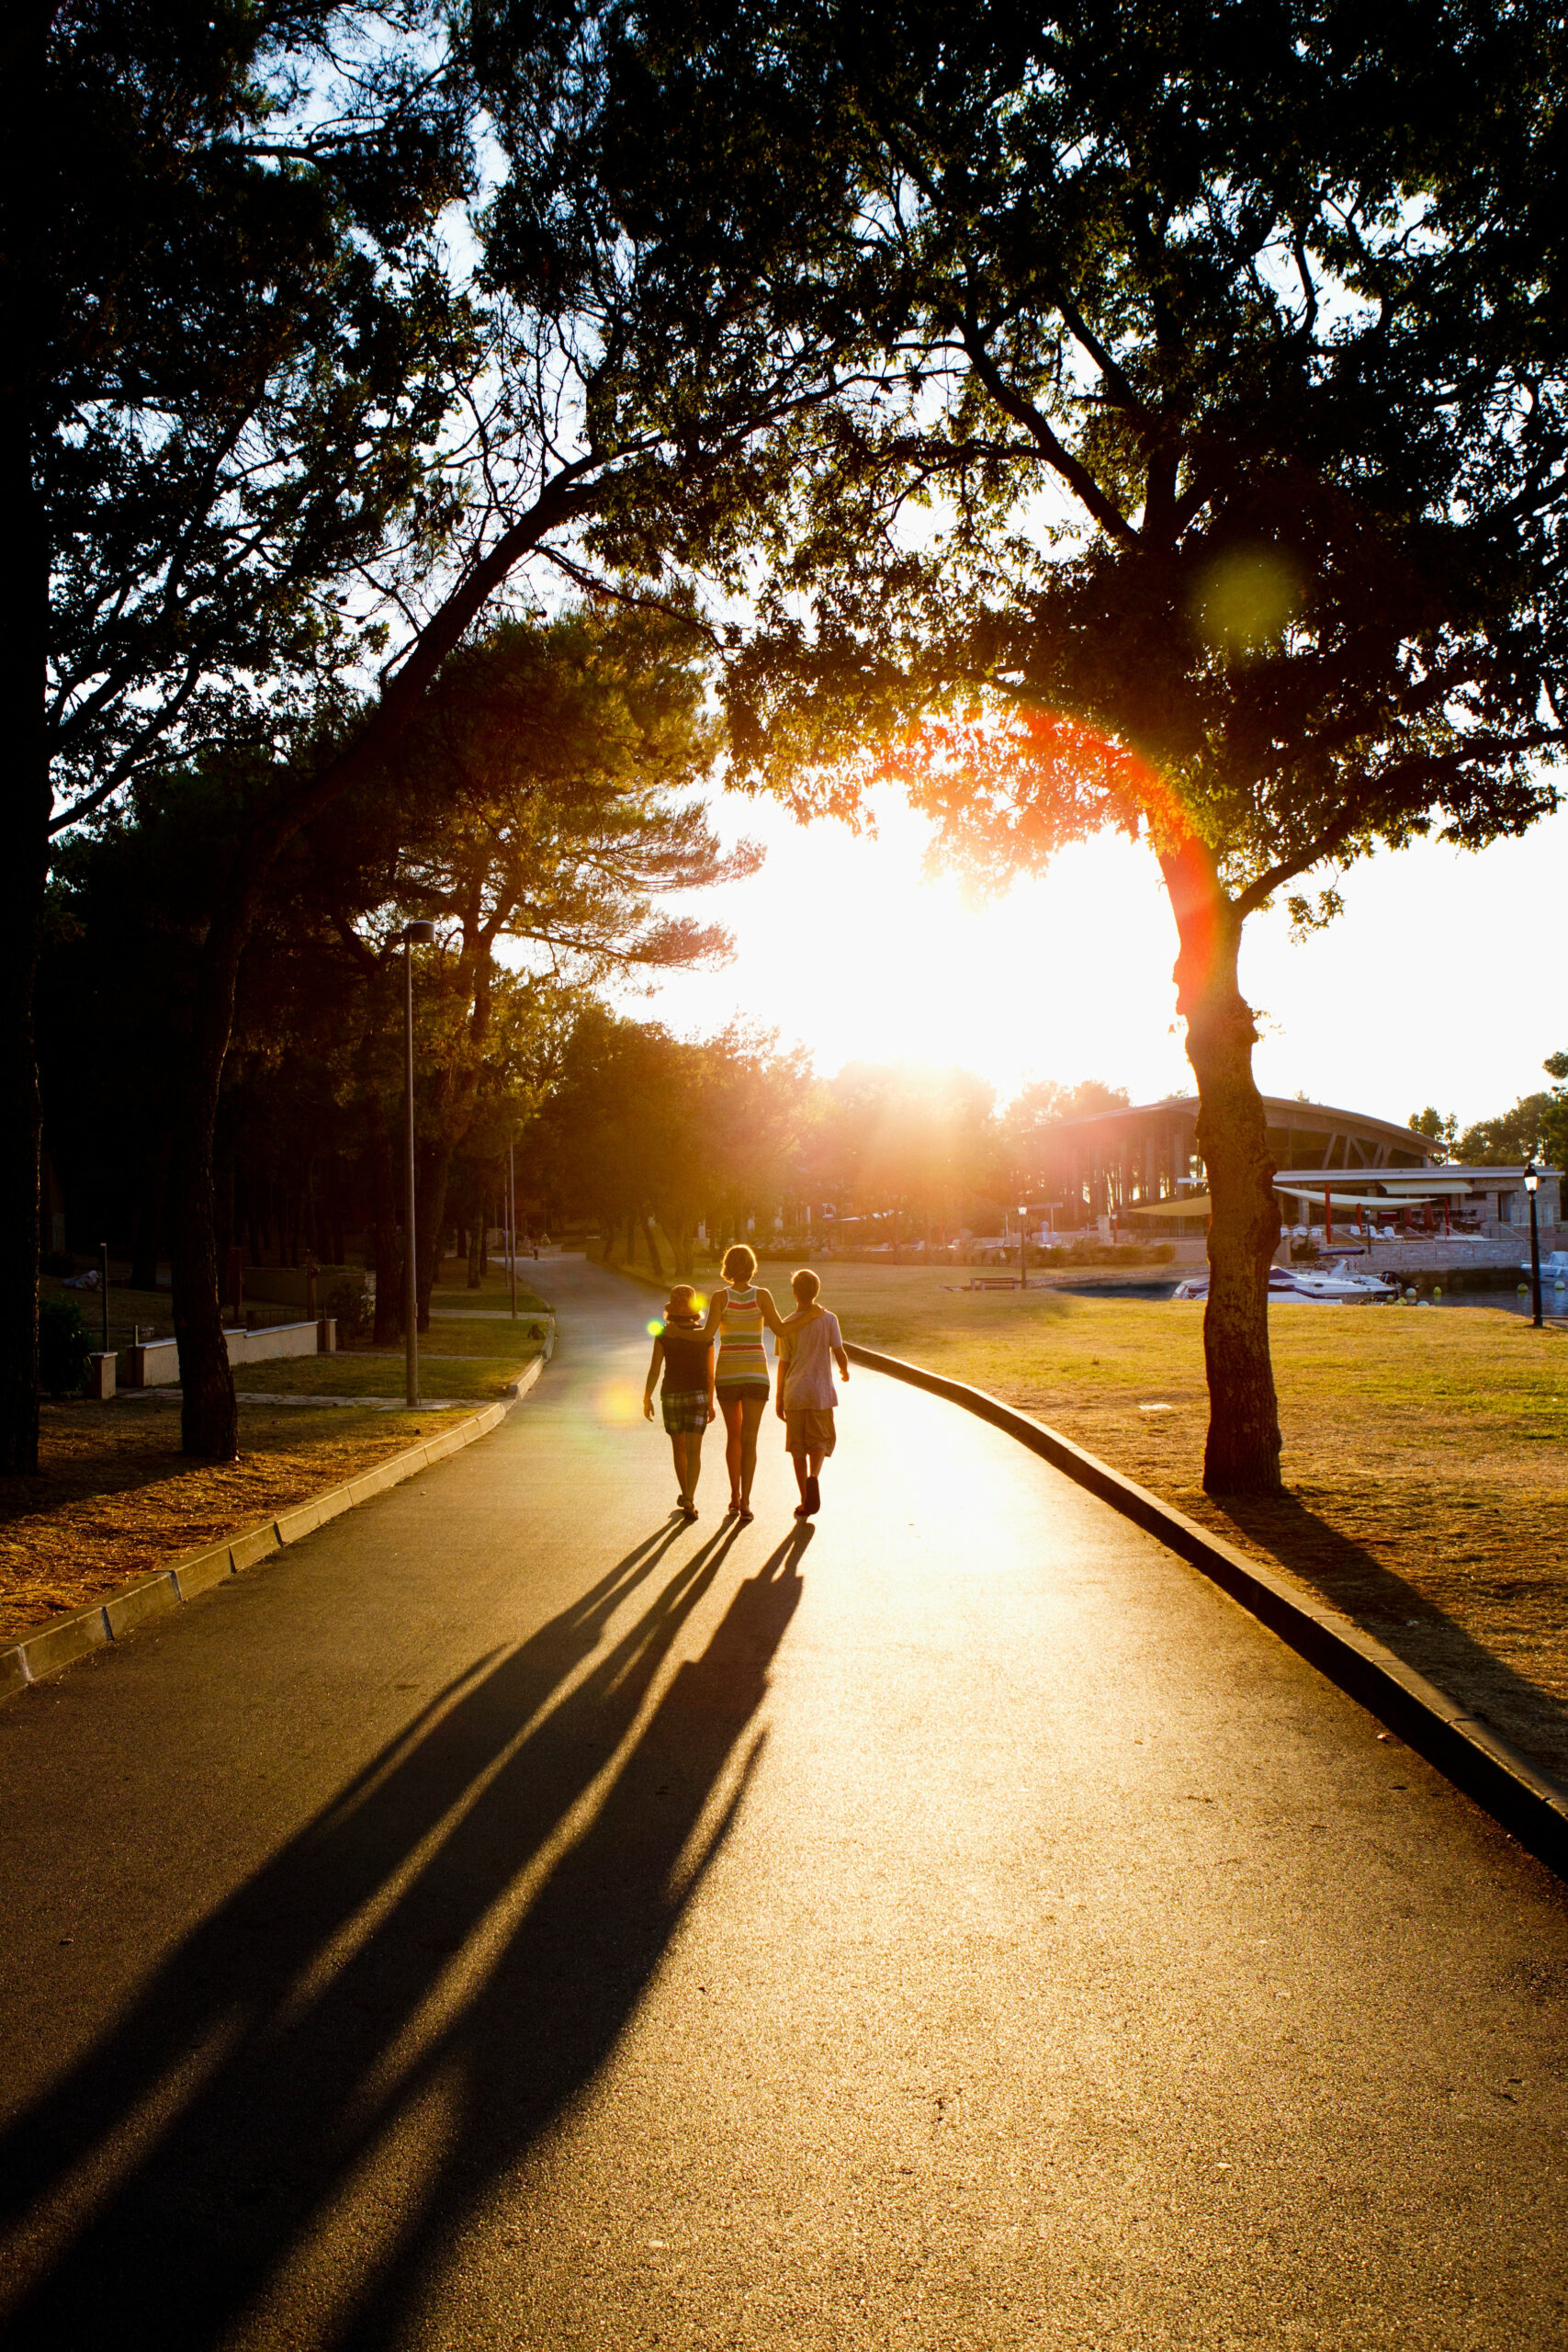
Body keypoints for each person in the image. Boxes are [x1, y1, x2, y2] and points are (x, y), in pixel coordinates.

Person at [702, 1243, 786, 1523]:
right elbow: (781, 1329)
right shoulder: (762, 1296)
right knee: (750, 1440)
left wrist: (676, 1331)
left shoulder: (719, 1297)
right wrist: (810, 1315)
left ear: (727, 1267)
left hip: (727, 1374)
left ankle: (734, 1497)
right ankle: (747, 1502)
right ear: (752, 1267)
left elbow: (707, 1336)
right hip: (755, 1375)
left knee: (734, 1438)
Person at [775, 1267, 849, 1517]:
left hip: (795, 1392)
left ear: (795, 1293)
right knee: (819, 1440)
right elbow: (839, 1351)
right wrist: (845, 1371)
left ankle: (804, 1499)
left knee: (797, 1447)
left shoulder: (787, 1324)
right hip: (820, 1392)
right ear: (817, 1292)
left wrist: (779, 1397)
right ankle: (814, 1476)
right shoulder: (829, 1320)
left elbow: (783, 1363)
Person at [642, 1283, 716, 1521]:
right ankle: (690, 1499)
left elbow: (655, 1369)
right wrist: (711, 1402)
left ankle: (685, 1494)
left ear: (671, 1309)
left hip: (671, 1395)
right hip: (698, 1395)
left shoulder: (664, 1334)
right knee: (695, 1452)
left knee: (679, 1450)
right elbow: (710, 1373)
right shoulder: (704, 1336)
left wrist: (647, 1397)